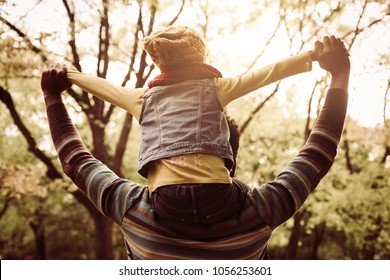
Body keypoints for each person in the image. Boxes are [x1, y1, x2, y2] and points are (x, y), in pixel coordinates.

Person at [42, 35, 350, 259]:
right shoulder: (262, 213)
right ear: (229, 158)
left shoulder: (133, 212)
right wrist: (338, 73)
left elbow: (76, 160)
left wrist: (55, 94)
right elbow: (318, 152)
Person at [64, 25, 320, 224]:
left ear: (159, 62)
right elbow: (268, 72)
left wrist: (67, 73)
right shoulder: (216, 88)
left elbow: (105, 88)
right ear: (199, 57)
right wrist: (311, 55)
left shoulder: (143, 98)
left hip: (167, 202)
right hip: (217, 197)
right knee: (244, 191)